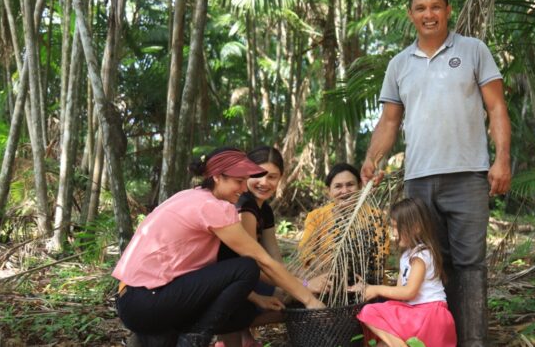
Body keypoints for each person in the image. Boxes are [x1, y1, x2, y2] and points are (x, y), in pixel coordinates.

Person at [360, 0, 512, 346]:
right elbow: (389, 122)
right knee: (428, 261)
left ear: (447, 10)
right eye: (420, 8)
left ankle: (472, 341)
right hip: (420, 180)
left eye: (435, 7)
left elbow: (496, 107)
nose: (428, 14)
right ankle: (435, 339)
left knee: (469, 263)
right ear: (411, 14)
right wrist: (371, 159)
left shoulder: (473, 50)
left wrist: (502, 159)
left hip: (468, 175)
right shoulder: (399, 64)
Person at [112, 147, 324, 347]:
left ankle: (168, 337)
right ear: (216, 177)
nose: (244, 188)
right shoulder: (214, 207)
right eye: (238, 181)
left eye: (245, 181)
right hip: (146, 300)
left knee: (240, 311)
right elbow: (262, 261)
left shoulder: (190, 195)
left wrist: (258, 298)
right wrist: (309, 299)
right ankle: (193, 340)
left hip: (133, 299)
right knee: (247, 267)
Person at [349, 198, 456, 347]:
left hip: (429, 316)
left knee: (369, 312)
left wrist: (376, 289)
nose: (394, 233)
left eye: (397, 227)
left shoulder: (421, 255)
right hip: (415, 315)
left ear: (416, 227)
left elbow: (409, 292)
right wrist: (368, 287)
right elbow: (399, 291)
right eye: (392, 227)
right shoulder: (406, 255)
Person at [215, 146, 286, 347]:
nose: (264, 182)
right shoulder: (244, 204)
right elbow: (252, 261)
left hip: (243, 279)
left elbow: (274, 255)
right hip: (227, 281)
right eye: (257, 174)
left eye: (272, 177)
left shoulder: (265, 209)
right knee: (289, 297)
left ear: (280, 179)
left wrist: (287, 283)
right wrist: (300, 286)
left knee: (286, 294)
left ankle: (245, 338)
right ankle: (227, 339)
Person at [298, 163, 389, 285]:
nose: (345, 191)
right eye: (338, 186)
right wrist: (329, 272)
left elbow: (380, 256)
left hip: (367, 284)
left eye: (350, 185)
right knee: (299, 279)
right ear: (328, 191)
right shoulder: (317, 217)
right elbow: (306, 252)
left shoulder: (375, 216)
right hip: (326, 281)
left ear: (360, 186)